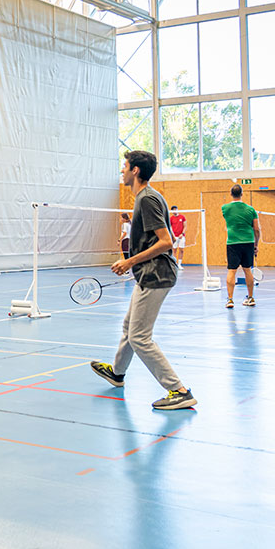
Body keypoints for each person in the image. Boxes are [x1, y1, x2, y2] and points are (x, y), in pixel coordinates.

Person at [89, 151, 196, 411]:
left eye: (124, 166)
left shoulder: (147, 199)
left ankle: (178, 390)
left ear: (136, 170)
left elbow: (166, 242)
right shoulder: (146, 197)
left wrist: (129, 261)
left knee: (139, 336)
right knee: (129, 327)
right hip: (148, 274)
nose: (122, 171)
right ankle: (117, 373)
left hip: (156, 274)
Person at [221, 185, 260, 309]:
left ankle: (230, 300)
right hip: (248, 241)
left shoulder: (225, 208)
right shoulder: (251, 210)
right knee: (247, 269)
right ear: (242, 194)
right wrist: (256, 245)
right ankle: (250, 297)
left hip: (233, 242)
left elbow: (229, 221)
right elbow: (257, 229)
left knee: (232, 270)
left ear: (231, 194)